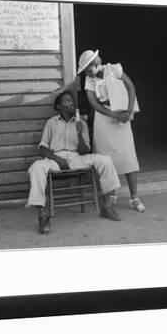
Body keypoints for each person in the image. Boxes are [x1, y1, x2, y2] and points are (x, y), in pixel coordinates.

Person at [27, 91, 122, 234]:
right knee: (36, 167)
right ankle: (42, 215)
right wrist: (58, 159)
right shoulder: (51, 123)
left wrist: (80, 134)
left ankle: (107, 207)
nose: (71, 103)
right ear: (59, 106)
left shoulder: (80, 123)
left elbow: (85, 151)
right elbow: (43, 148)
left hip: (76, 158)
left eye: (72, 101)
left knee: (105, 160)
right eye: (67, 101)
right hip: (56, 158)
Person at [78, 49, 146, 213]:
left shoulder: (114, 69)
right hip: (104, 117)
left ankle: (134, 197)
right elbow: (94, 103)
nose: (88, 72)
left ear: (96, 63)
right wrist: (111, 114)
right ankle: (111, 194)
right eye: (85, 70)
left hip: (121, 114)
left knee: (127, 154)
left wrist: (128, 112)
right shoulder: (89, 80)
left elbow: (131, 87)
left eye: (89, 68)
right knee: (106, 157)